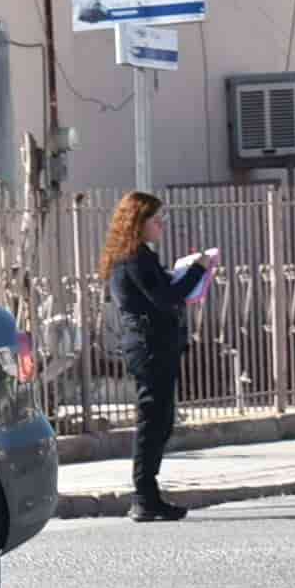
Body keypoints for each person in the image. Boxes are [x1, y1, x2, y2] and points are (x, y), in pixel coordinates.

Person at [102, 191, 217, 523]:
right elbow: (166, 297)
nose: (161, 224)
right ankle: (143, 496)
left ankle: (149, 494)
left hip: (156, 346)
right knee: (153, 421)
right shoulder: (133, 259)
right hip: (149, 348)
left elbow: (163, 291)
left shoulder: (140, 257)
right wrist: (197, 269)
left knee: (161, 420)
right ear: (139, 223)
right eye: (156, 219)